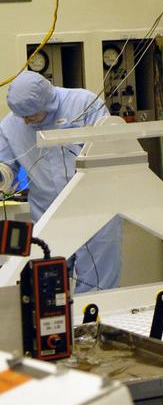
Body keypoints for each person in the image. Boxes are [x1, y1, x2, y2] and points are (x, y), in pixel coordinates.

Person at [0, 72, 122, 291]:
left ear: (47, 103)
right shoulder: (10, 126)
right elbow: (6, 166)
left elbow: (109, 151)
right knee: (50, 285)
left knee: (96, 286)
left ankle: (91, 324)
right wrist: (3, 176)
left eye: (32, 115)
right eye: (22, 116)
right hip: (48, 214)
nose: (26, 121)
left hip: (95, 210)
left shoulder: (84, 104)